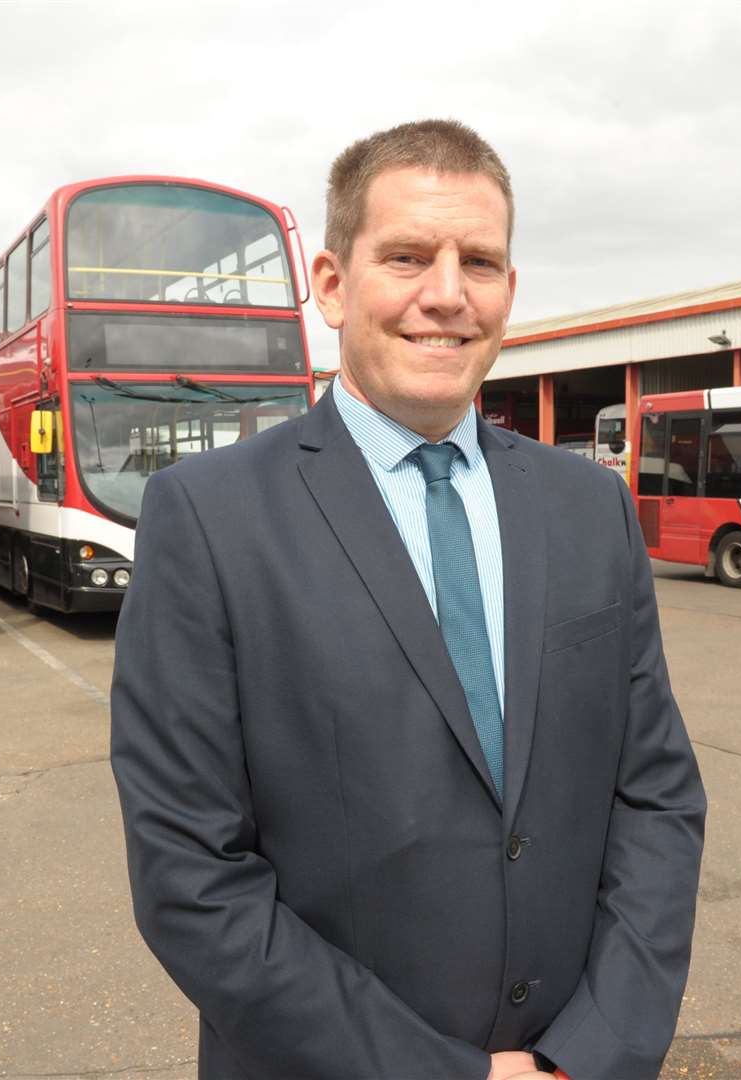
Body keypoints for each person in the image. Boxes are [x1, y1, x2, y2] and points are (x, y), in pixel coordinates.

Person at [111, 119, 706, 1080]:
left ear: (509, 291)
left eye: (478, 260)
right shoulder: (208, 519)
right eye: (405, 257)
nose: (445, 295)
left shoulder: (589, 505)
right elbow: (191, 876)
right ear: (334, 285)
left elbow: (657, 797)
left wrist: (592, 1052)